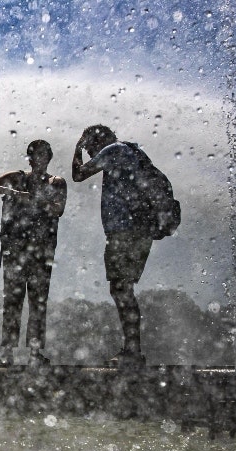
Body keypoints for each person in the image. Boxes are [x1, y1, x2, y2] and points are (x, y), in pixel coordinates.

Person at [72, 124, 155, 369]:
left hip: (126, 233)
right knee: (122, 288)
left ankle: (132, 351)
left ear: (99, 140)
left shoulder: (114, 149)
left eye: (89, 148)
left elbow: (78, 175)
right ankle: (132, 349)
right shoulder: (129, 151)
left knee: (121, 289)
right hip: (136, 231)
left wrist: (76, 147)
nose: (90, 154)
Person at [0, 139, 67, 366]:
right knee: (12, 302)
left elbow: (58, 209)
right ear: (29, 158)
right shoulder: (18, 177)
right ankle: (7, 352)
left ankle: (35, 353)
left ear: (49, 158)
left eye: (43, 156)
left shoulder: (56, 182)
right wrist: (16, 192)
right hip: (15, 251)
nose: (40, 160)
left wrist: (36, 200)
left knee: (38, 302)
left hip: (42, 251)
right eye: (35, 156)